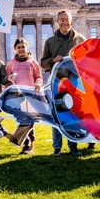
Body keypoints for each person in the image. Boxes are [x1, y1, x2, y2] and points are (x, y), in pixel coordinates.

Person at [41, 9, 86, 156]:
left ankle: (73, 146)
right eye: (61, 19)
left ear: (71, 21)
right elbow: (43, 63)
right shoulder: (50, 41)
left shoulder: (80, 39)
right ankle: (57, 148)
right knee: (57, 115)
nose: (64, 22)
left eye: (66, 19)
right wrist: (53, 60)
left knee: (73, 114)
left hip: (74, 83)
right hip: (56, 83)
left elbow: (87, 61)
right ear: (57, 21)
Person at [6, 37, 43, 154]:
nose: (21, 49)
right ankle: (26, 143)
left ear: (27, 47)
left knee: (30, 119)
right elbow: (7, 81)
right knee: (23, 120)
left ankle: (29, 144)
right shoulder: (11, 64)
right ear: (15, 49)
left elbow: (39, 77)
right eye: (19, 47)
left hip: (31, 95)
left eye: (23, 47)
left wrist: (38, 83)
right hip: (17, 97)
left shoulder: (33, 62)